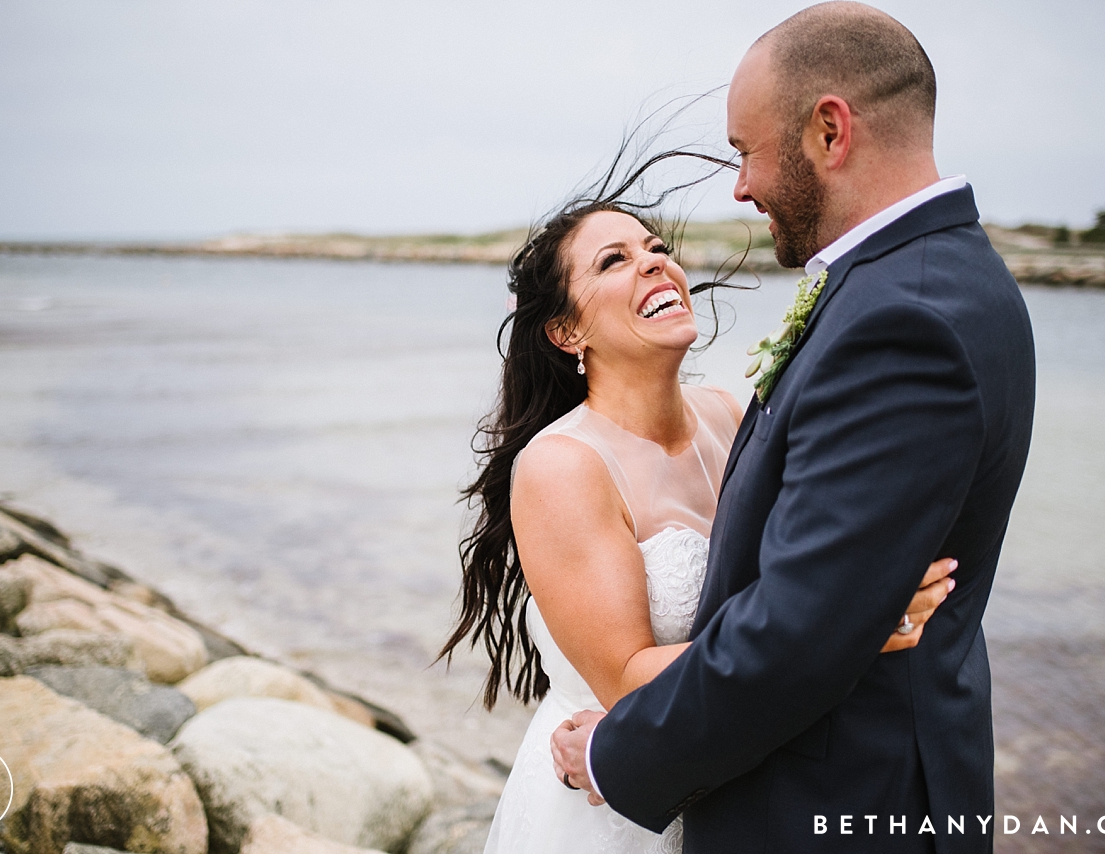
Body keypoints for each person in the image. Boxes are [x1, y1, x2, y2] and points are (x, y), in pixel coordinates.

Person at [550, 4, 1036, 854]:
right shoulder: (935, 280)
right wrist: (858, 612)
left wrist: (613, 750)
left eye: (746, 151)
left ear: (829, 131)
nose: (741, 186)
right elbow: (820, 597)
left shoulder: (901, 318)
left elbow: (798, 632)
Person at [439, 190, 957, 854]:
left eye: (657, 249)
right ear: (567, 332)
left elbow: (783, 582)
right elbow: (627, 680)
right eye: (614, 261)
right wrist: (848, 627)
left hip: (730, 785)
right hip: (613, 806)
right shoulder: (563, 467)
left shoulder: (726, 412)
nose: (655, 264)